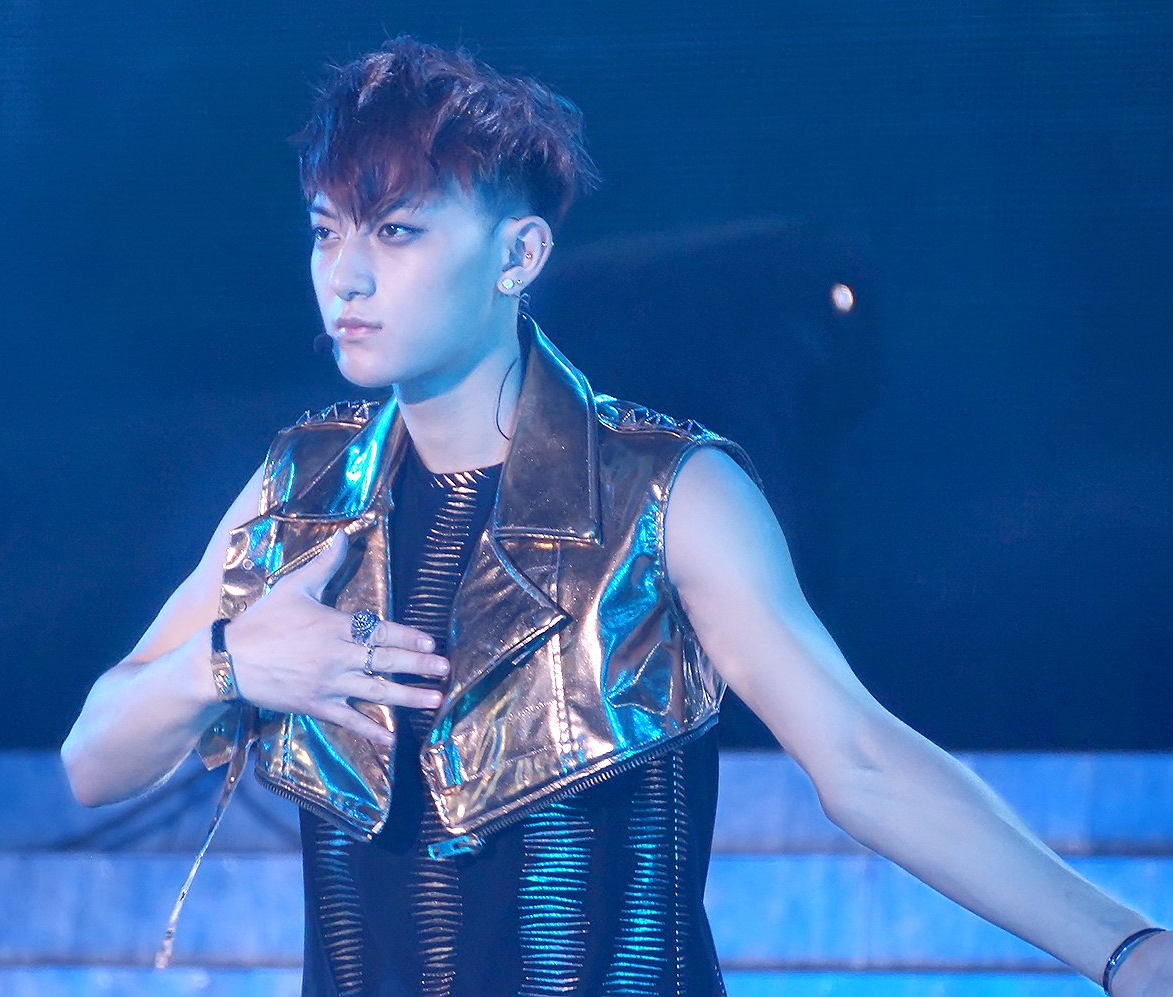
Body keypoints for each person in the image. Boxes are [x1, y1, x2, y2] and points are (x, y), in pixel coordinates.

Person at [61, 38, 1170, 997]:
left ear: (518, 254)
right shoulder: (297, 492)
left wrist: (1128, 951)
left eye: (395, 232)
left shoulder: (666, 492)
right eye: (324, 230)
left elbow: (861, 758)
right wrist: (226, 664)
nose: (344, 275)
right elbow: (92, 760)